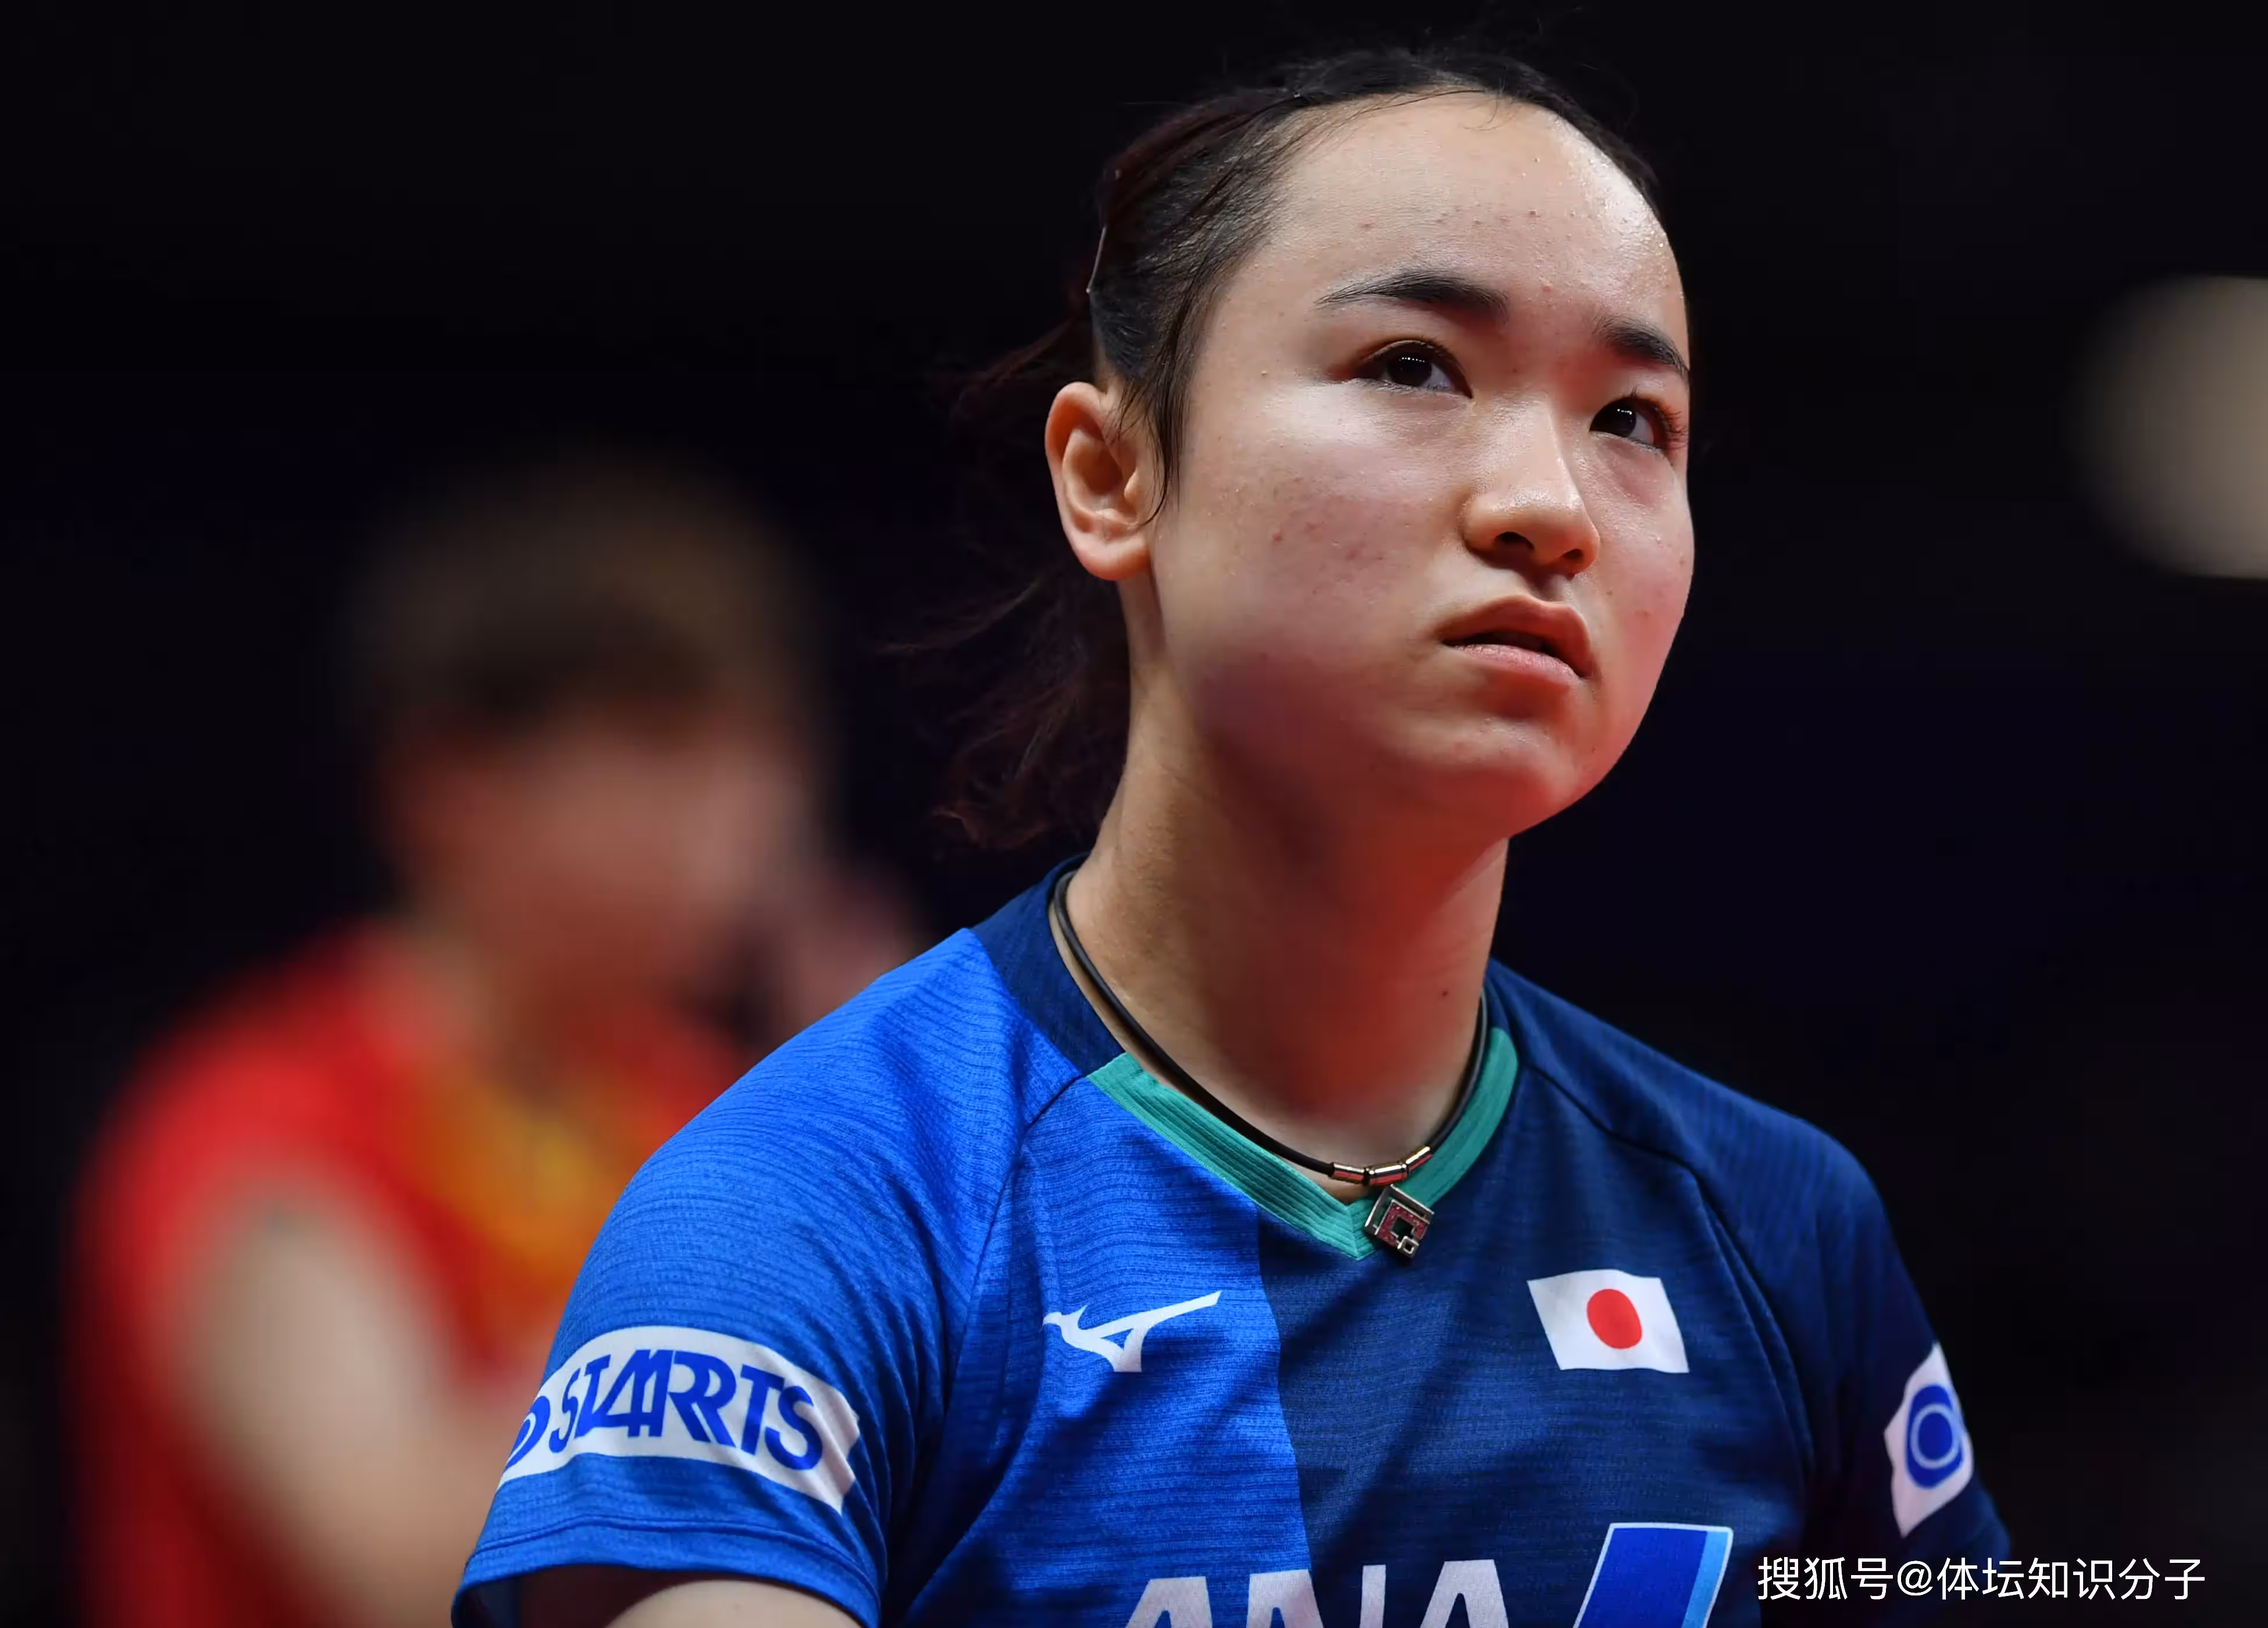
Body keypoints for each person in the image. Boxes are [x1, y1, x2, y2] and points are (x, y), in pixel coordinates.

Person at [455, 47, 2008, 1628]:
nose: (1551, 505)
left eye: (1631, 417)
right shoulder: (806, 1215)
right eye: (1413, 365)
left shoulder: (1777, 1229)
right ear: (1112, 475)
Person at [70, 460, 920, 1628]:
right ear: (452, 786)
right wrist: (829, 1177)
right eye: (664, 748)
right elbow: (403, 1565)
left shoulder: (691, 1097)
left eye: (769, 752)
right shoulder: (258, 1124)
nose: (754, 819)